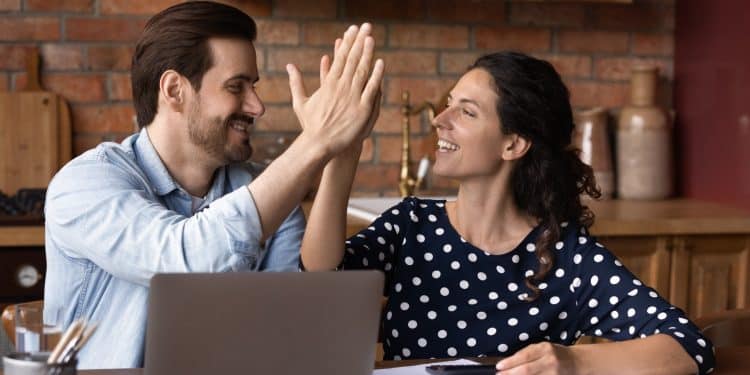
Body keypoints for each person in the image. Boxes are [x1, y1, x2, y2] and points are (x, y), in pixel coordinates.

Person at [300, 51, 715, 374]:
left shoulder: (564, 256)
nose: (440, 120)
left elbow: (688, 347)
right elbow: (321, 278)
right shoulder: (412, 226)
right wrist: (342, 151)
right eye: (448, 104)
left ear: (513, 145)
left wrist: (572, 364)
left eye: (466, 111)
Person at [43, 1, 384, 369]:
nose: (256, 106)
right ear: (175, 90)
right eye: (236, 87)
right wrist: (315, 142)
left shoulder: (260, 188)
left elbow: (304, 315)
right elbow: (185, 261)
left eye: (253, 87)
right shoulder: (85, 184)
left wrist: (342, 150)